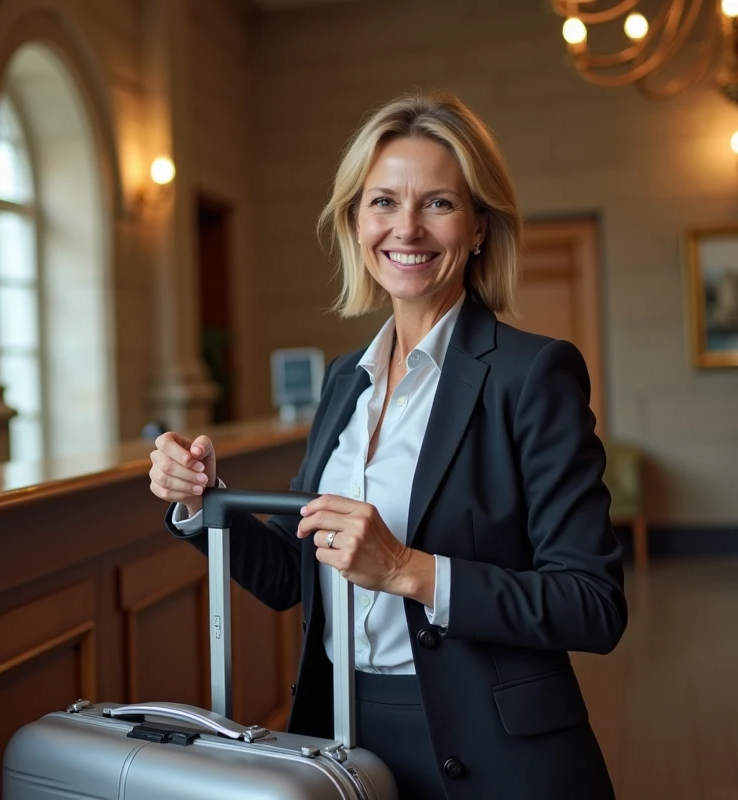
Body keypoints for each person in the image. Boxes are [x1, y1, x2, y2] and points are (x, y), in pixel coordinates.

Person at [148, 89, 625, 800]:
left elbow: (593, 604)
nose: (407, 227)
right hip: (339, 732)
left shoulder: (533, 374)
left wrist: (410, 571)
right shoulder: (347, 381)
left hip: (496, 752)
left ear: (479, 227)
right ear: (355, 222)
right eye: (382, 202)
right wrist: (202, 503)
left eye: (438, 203)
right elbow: (290, 574)